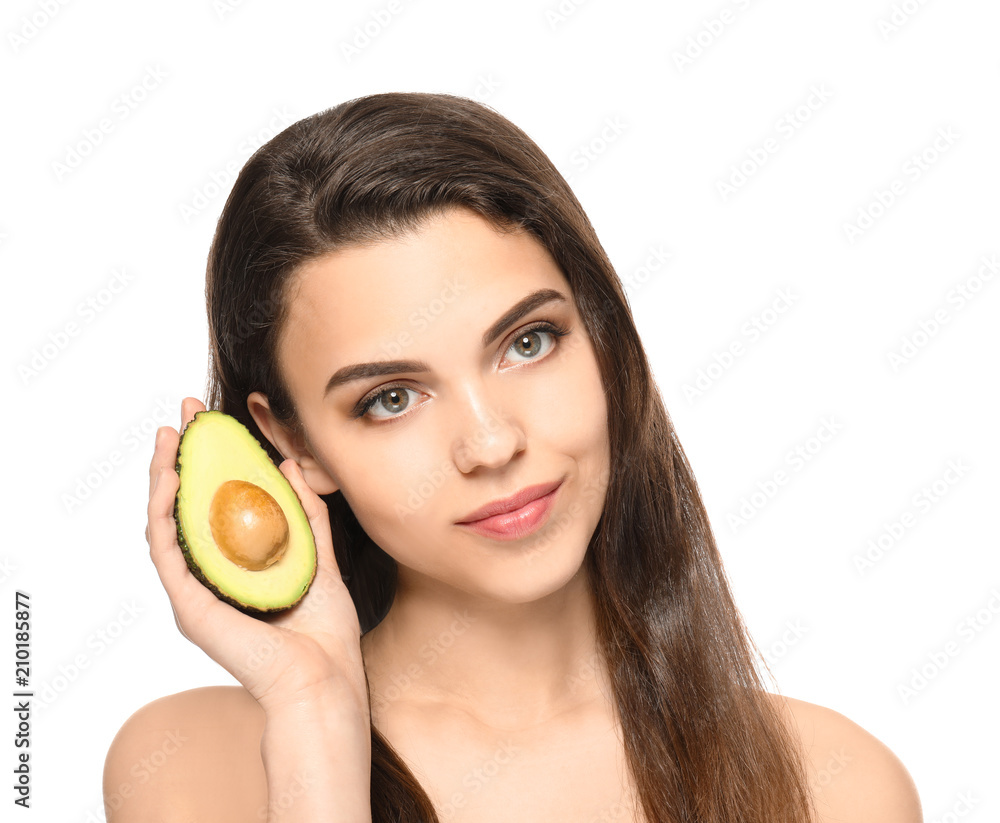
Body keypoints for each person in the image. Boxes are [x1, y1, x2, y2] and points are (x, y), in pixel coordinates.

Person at [103, 92, 922, 822]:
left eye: (529, 342)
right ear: (294, 444)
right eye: (390, 397)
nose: (492, 443)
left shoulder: (836, 788)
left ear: (601, 334)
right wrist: (316, 715)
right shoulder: (198, 765)